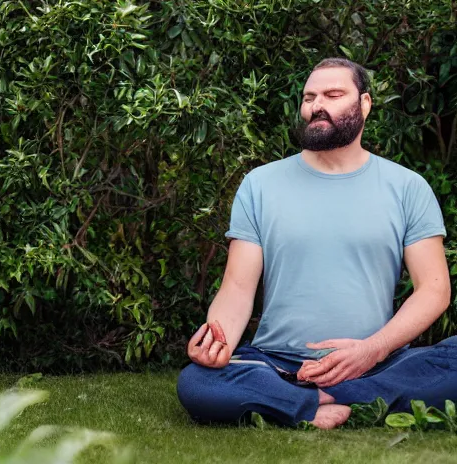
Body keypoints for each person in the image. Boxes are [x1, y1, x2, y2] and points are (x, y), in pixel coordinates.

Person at [177, 58, 456, 429]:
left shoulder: (408, 187)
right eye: (309, 97)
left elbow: (434, 289)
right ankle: (337, 399)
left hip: (377, 361)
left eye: (333, 94)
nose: (316, 105)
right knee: (197, 383)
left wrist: (372, 349)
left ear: (365, 104)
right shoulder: (260, 185)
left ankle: (309, 403)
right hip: (276, 364)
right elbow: (237, 288)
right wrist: (219, 342)